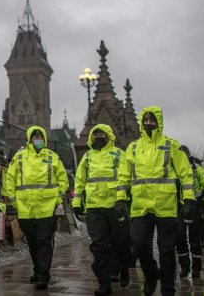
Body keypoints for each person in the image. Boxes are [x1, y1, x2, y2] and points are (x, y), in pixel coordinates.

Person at [117, 106, 196, 296]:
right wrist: (120, 200)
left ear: (159, 122)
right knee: (140, 246)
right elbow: (123, 176)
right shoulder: (133, 147)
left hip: (165, 207)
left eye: (152, 120)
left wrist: (189, 201)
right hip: (141, 207)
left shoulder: (171, 145)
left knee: (167, 250)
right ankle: (152, 275)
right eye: (145, 120)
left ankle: (168, 287)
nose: (148, 123)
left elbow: (186, 175)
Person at [2, 126, 69, 290]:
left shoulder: (53, 157)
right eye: (35, 137)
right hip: (26, 209)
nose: (37, 139)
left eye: (40, 136)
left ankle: (43, 275)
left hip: (47, 209)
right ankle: (38, 269)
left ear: (44, 139)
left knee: (44, 242)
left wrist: (57, 199)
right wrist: (14, 200)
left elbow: (63, 181)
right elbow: (9, 179)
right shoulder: (19, 157)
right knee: (32, 242)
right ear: (29, 139)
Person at [72, 124, 131, 296]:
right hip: (94, 208)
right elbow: (80, 181)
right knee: (99, 246)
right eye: (96, 134)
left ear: (109, 136)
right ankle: (104, 283)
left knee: (121, 242)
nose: (98, 137)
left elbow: (124, 178)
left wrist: (120, 200)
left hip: (115, 207)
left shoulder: (119, 154)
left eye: (102, 134)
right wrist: (77, 202)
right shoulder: (88, 157)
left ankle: (124, 268)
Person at [176, 146, 204, 279]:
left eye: (184, 153)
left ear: (188, 154)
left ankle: (196, 268)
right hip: (179, 209)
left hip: (195, 208)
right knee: (180, 238)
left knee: (195, 239)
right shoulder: (173, 170)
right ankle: (184, 266)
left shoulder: (198, 169)